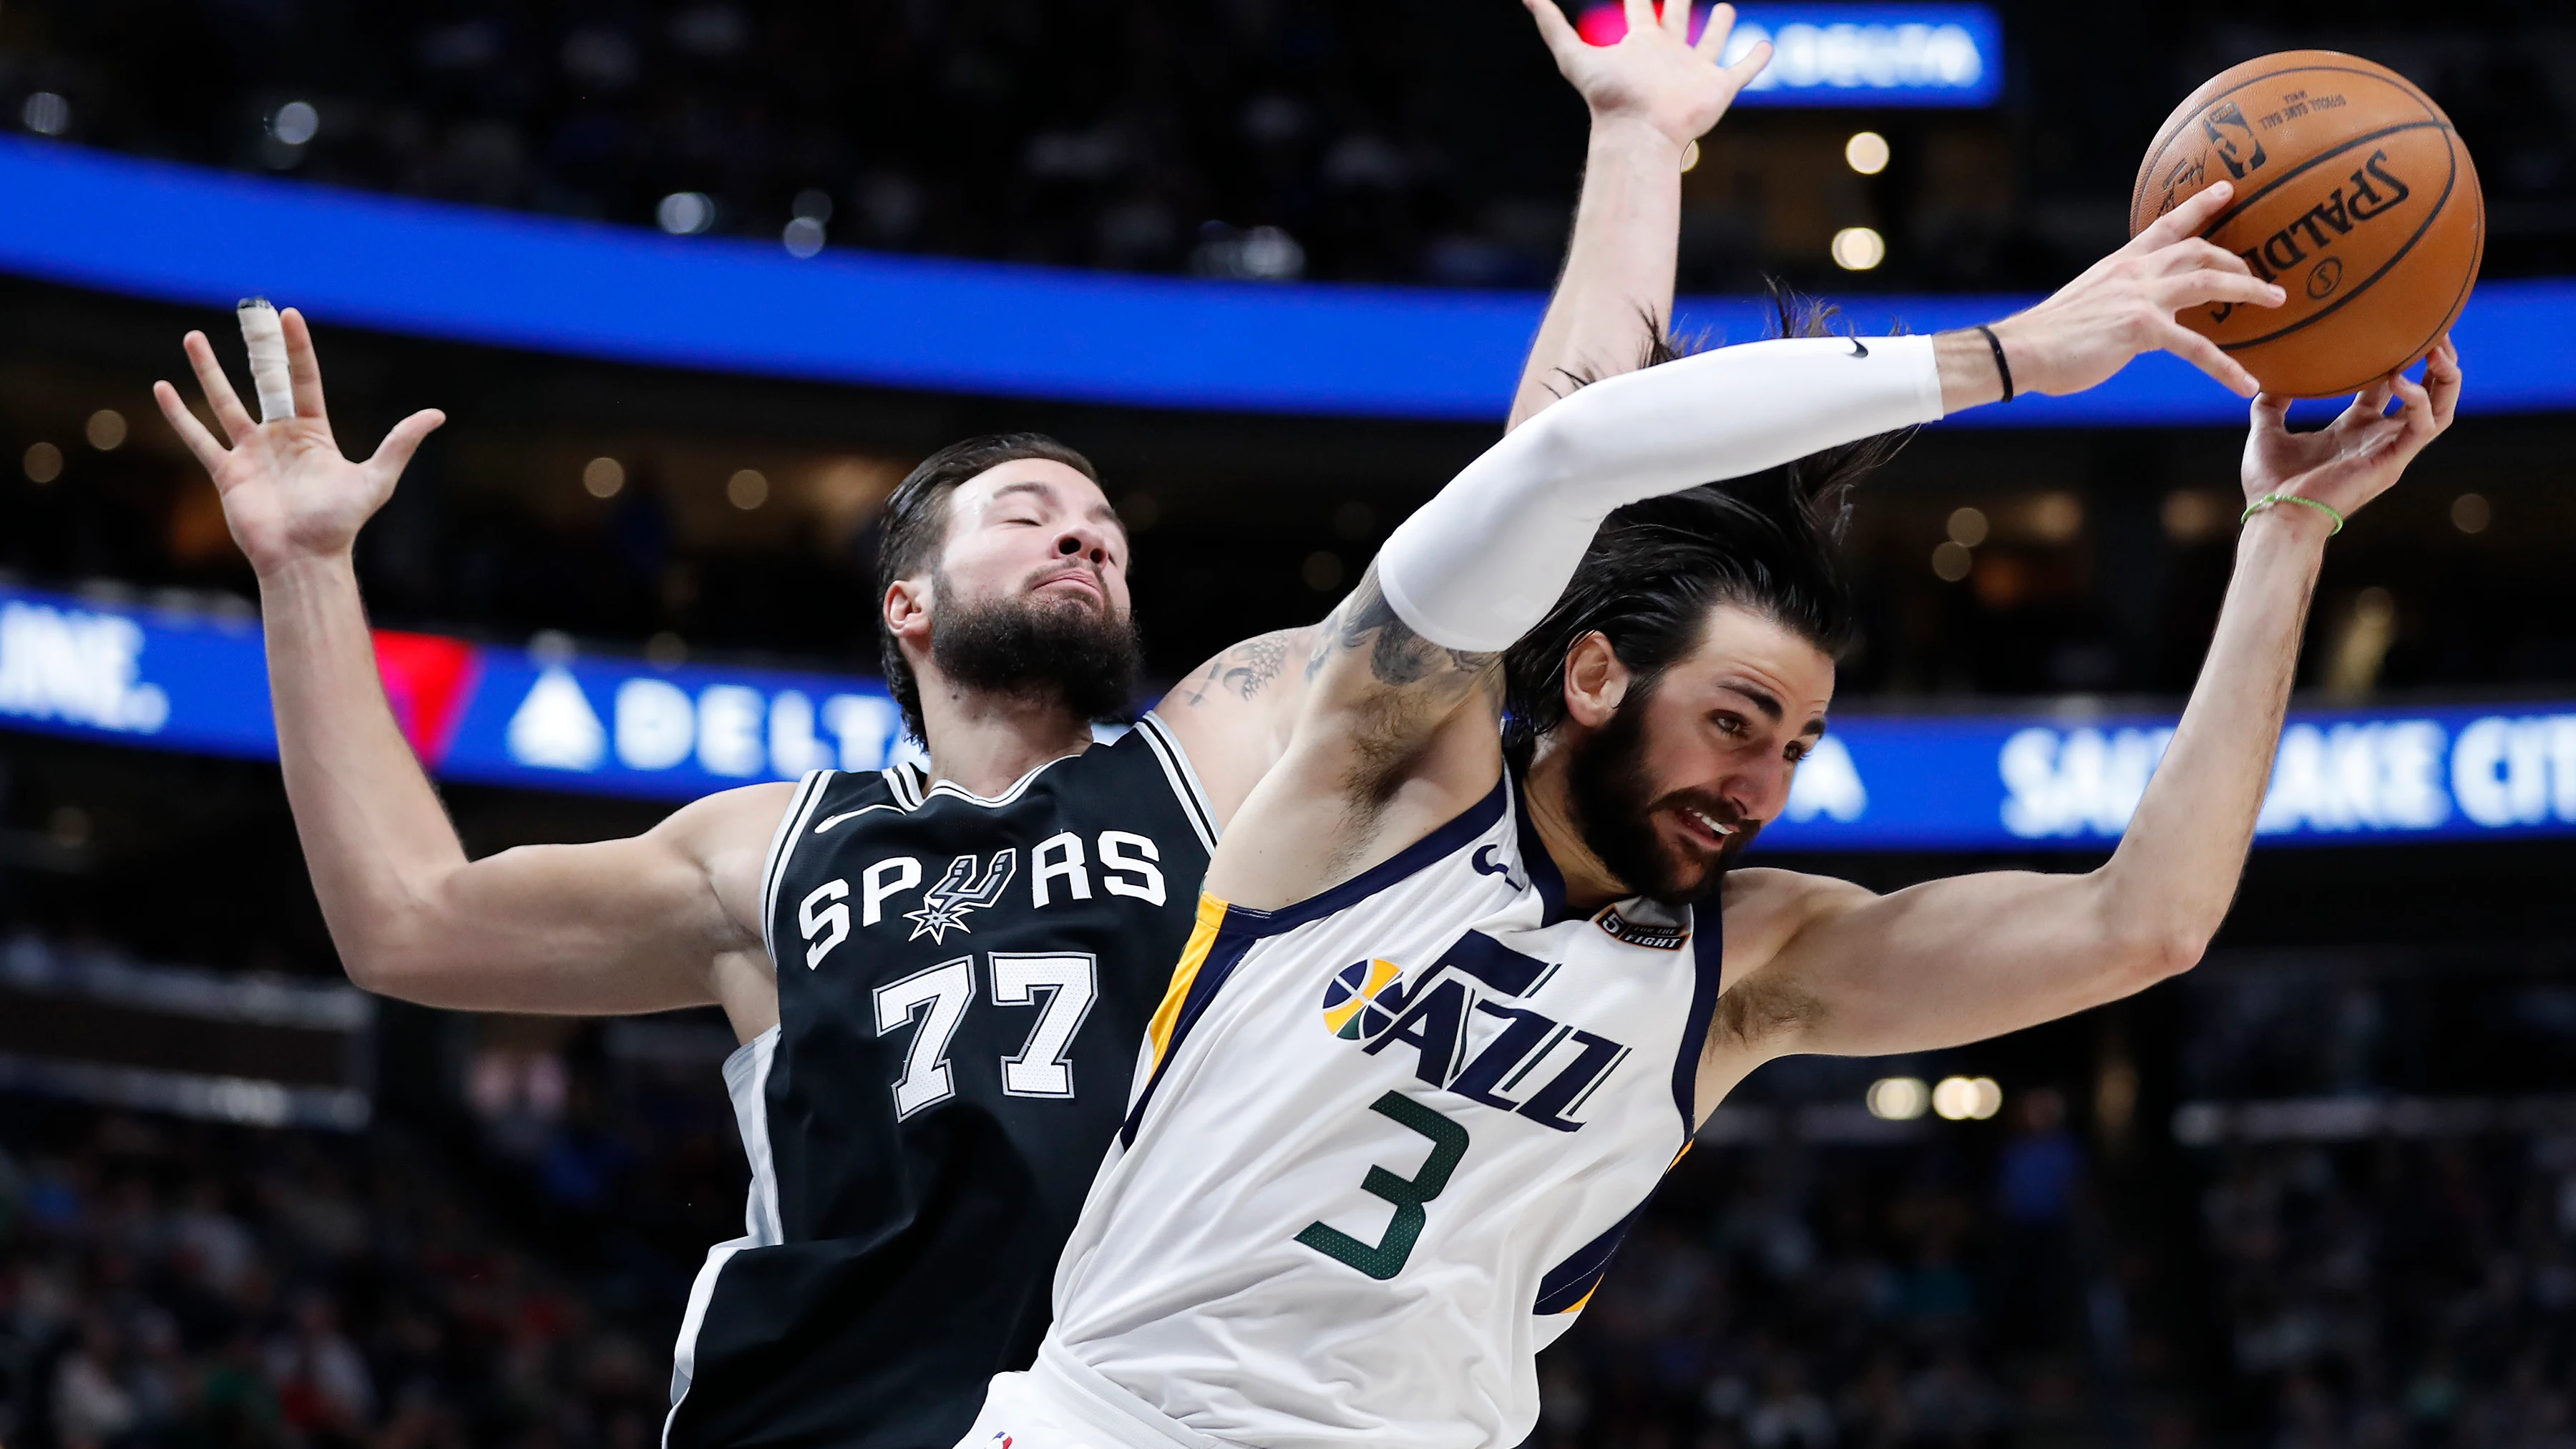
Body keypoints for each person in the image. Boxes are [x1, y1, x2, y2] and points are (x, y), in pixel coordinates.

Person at [147, 7, 1773, 1446]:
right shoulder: (768, 846)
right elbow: (406, 921)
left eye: (1104, 526)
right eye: (1027, 513)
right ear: (907, 606)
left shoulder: (1225, 748)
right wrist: (303, 570)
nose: (1085, 535)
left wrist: (1635, 144)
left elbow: (1535, 498)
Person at [957, 176, 2462, 1449]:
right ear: (1599, 673)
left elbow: (2146, 922)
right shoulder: (1379, 781)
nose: (1761, 785)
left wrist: (2287, 534)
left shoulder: (1746, 967)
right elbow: (1562, 454)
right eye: (1737, 721)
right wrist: (1998, 355)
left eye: (1797, 745)